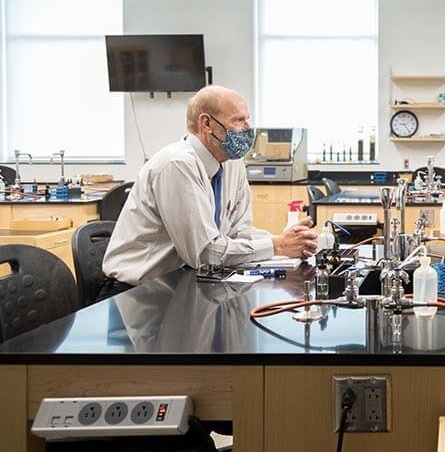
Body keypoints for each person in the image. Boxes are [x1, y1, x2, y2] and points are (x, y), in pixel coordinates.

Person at [101, 86, 317, 297]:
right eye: (238, 120)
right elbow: (204, 254)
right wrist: (277, 245)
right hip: (137, 293)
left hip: (186, 282)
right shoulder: (177, 164)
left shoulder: (232, 163)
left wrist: (287, 241)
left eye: (247, 119)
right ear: (207, 124)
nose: (248, 128)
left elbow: (239, 231)